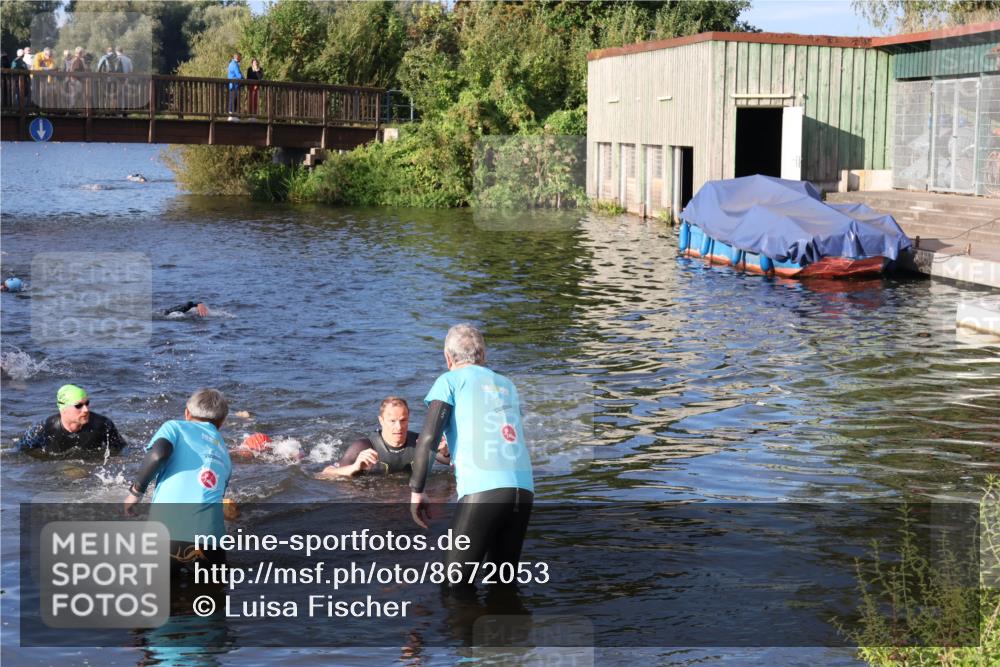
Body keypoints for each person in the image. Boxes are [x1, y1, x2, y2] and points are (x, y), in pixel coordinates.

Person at [408, 324, 534, 590]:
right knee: (502, 586)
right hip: (523, 490)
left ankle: (460, 630)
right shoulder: (507, 384)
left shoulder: (449, 380)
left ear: (448, 357)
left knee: (454, 586)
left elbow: (428, 439)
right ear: (483, 355)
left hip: (484, 490)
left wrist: (417, 490)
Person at [124, 388, 232, 569]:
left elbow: (158, 454)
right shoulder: (226, 455)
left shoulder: (174, 427)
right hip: (212, 545)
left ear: (187, 413)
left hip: (167, 536)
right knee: (210, 595)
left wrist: (136, 492)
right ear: (222, 422)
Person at [316, 396, 450, 479]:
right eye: (392, 421)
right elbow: (324, 474)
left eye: (403, 420)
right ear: (381, 420)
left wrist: (445, 451)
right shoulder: (364, 447)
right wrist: (355, 467)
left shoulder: (420, 442)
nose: (399, 427)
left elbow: (453, 463)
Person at [14, 384, 128, 457]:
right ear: (63, 409)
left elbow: (122, 448)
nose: (86, 410)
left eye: (87, 403)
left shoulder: (103, 424)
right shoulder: (44, 428)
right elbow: (21, 450)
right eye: (78, 406)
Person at [227, 52, 242, 119]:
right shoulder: (234, 64)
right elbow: (238, 75)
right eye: (240, 57)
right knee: (234, 99)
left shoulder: (231, 63)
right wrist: (243, 79)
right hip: (234, 85)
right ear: (237, 57)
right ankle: (232, 115)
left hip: (232, 84)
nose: (241, 58)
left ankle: (232, 115)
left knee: (232, 99)